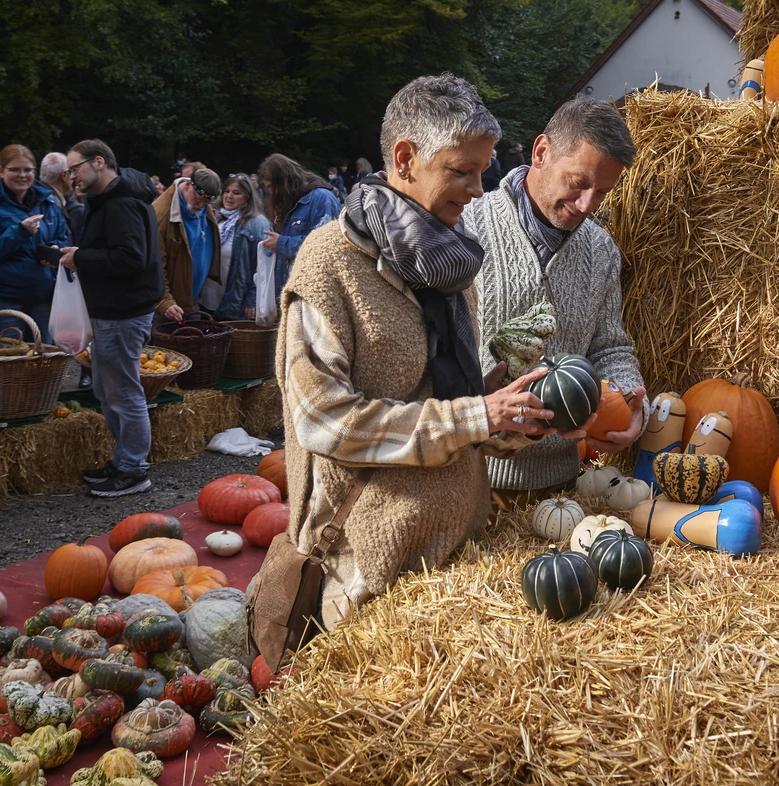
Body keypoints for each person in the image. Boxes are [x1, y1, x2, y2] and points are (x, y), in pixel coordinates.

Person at [246, 73, 576, 641]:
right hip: (366, 579)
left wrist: (515, 414)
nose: (478, 189)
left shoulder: (450, 265)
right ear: (405, 159)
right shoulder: (329, 266)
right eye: (461, 171)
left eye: (483, 171)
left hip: (454, 553)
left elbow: (446, 407)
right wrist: (476, 414)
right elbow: (324, 421)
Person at [461, 98, 646, 503]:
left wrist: (629, 400)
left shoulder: (601, 250)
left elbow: (610, 346)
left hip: (561, 489)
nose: (587, 205)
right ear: (542, 152)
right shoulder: (465, 228)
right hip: (470, 481)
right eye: (579, 183)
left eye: (602, 192)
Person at [60, 140, 164, 498]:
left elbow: (130, 258)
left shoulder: (121, 204)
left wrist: (83, 258)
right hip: (112, 310)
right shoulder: (109, 201)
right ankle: (125, 460)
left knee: (122, 391)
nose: (71, 176)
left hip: (124, 312)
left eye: (75, 168)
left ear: (98, 162)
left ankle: (133, 469)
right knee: (108, 389)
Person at [0, 144, 71, 342]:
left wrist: (56, 248)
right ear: (0, 171)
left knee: (44, 363)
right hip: (3, 301)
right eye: (15, 170)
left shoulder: (46, 202)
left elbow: (61, 235)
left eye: (27, 170)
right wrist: (19, 232)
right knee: (9, 364)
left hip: (43, 298)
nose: (22, 175)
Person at [258, 153, 342, 294]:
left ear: (284, 181)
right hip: (292, 291)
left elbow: (327, 247)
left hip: (314, 291)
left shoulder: (322, 198)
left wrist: (281, 243)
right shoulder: (292, 201)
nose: (271, 192)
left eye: (272, 187)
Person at [152, 167, 223, 322]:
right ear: (188, 184)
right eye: (198, 200)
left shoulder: (201, 203)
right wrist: (165, 302)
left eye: (206, 203)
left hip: (194, 297)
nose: (201, 206)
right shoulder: (162, 215)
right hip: (170, 305)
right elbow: (154, 265)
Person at [209, 173, 271, 321]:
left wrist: (253, 298)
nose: (229, 196)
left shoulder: (257, 223)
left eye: (236, 193)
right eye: (227, 191)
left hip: (234, 302)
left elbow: (265, 264)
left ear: (247, 197)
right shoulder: (214, 217)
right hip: (206, 299)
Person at [40, 151, 85, 242]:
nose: (73, 177)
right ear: (64, 175)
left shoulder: (32, 199)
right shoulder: (54, 204)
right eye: (71, 171)